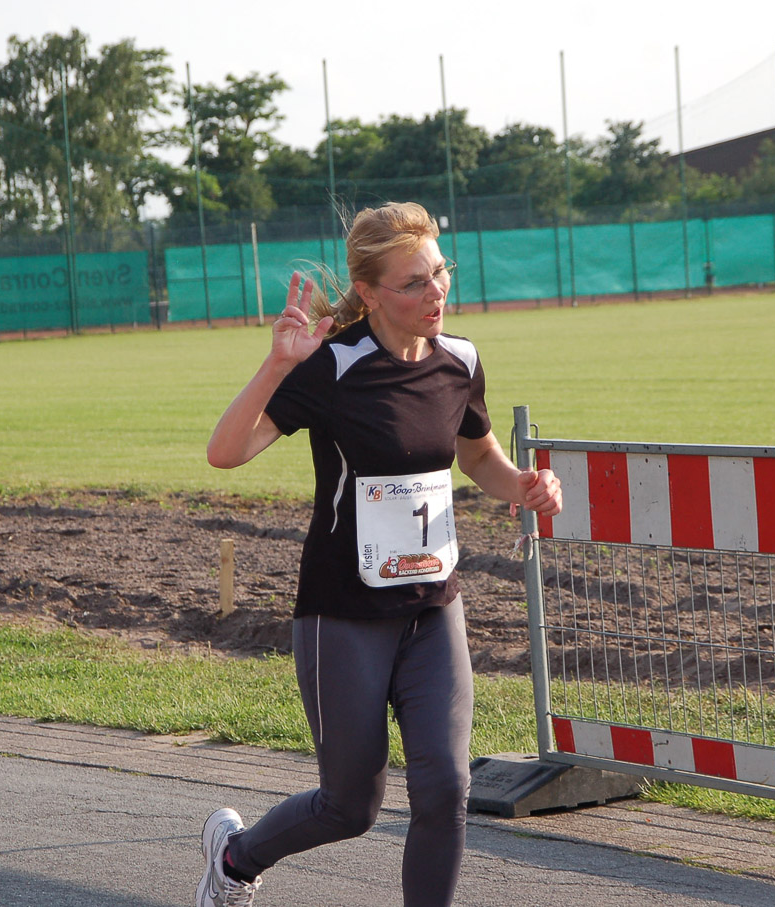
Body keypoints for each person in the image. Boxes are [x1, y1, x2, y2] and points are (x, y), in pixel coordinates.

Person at [201, 201, 562, 907]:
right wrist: (276, 364)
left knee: (446, 788)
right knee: (349, 806)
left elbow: (477, 455)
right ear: (368, 293)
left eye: (440, 273)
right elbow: (225, 452)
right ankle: (234, 858)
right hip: (342, 616)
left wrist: (523, 484)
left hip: (432, 608)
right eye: (414, 282)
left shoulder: (461, 361)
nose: (436, 292)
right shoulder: (332, 366)